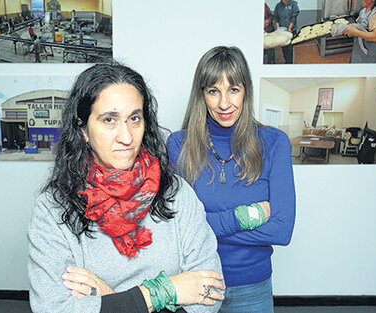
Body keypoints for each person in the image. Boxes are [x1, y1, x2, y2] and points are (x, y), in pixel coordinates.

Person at [28, 63, 225, 313]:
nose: (127, 137)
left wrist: (109, 299)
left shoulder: (176, 193)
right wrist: (161, 292)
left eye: (134, 119)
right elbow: (53, 308)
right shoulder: (53, 209)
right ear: (83, 129)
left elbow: (211, 292)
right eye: (109, 120)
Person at [167, 46, 296, 313]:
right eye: (213, 91)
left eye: (233, 89)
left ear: (245, 91)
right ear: (201, 95)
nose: (224, 103)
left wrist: (204, 225)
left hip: (253, 287)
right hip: (197, 284)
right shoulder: (179, 145)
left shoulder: (274, 143)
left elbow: (282, 231)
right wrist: (246, 216)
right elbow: (178, 231)